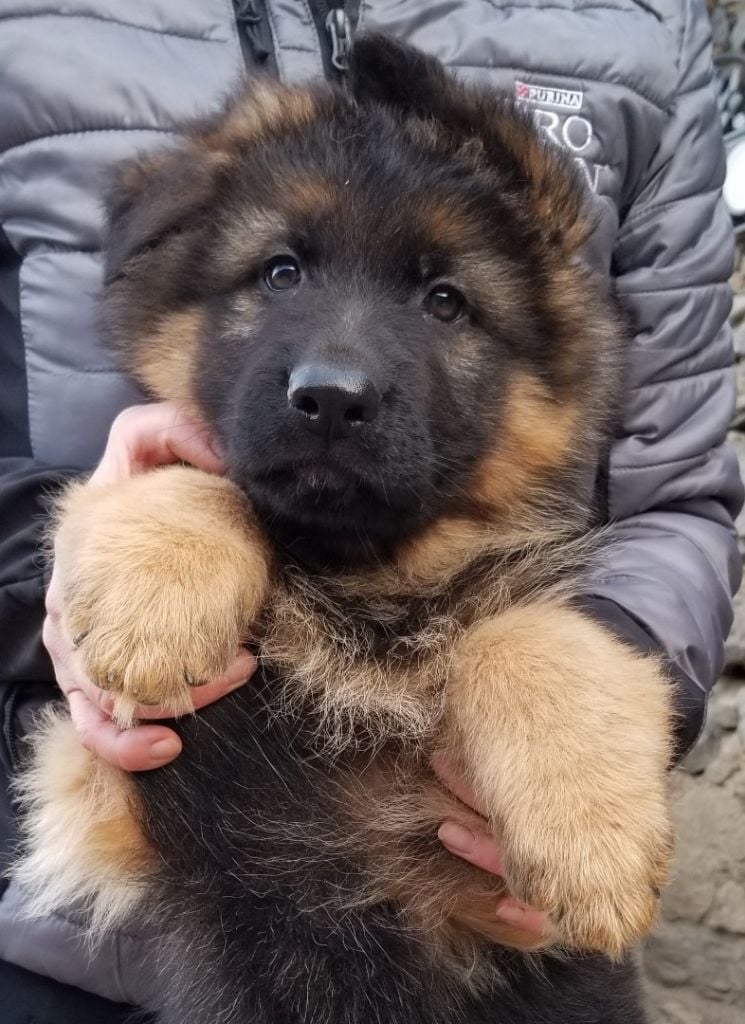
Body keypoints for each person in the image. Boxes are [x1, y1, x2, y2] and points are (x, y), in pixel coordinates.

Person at [0, 1, 741, 1020]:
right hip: (110, 967)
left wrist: (578, 685)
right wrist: (76, 552)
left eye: (444, 302)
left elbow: (679, 493)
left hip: (498, 966)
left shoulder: (637, 34)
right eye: (280, 270)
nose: (334, 368)